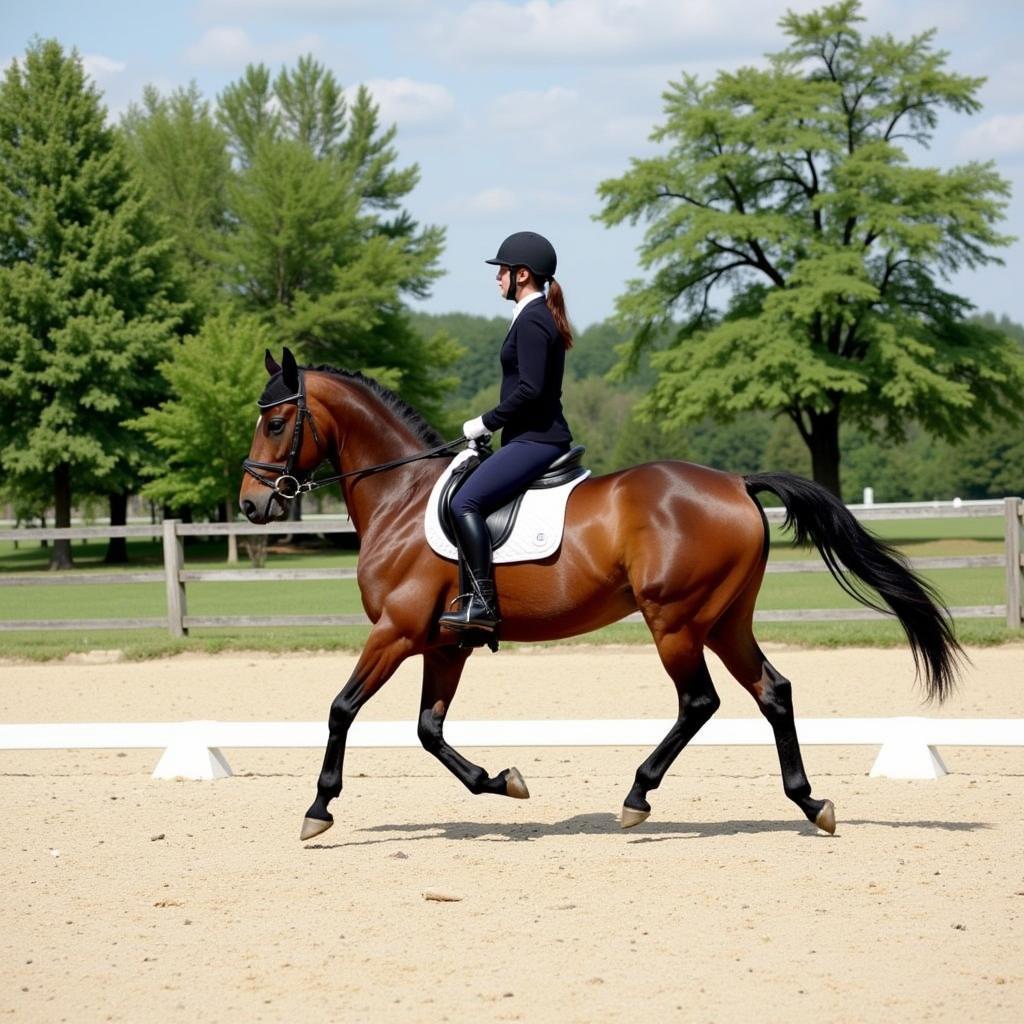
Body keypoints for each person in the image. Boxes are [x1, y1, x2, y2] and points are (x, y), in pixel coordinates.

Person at [439, 231, 574, 634]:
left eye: (502, 270)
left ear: (522, 275)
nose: (496, 277)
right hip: (529, 437)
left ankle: (481, 603)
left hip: (537, 439)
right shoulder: (533, 316)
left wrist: (484, 422)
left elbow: (530, 390)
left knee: (465, 502)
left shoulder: (533, 320)